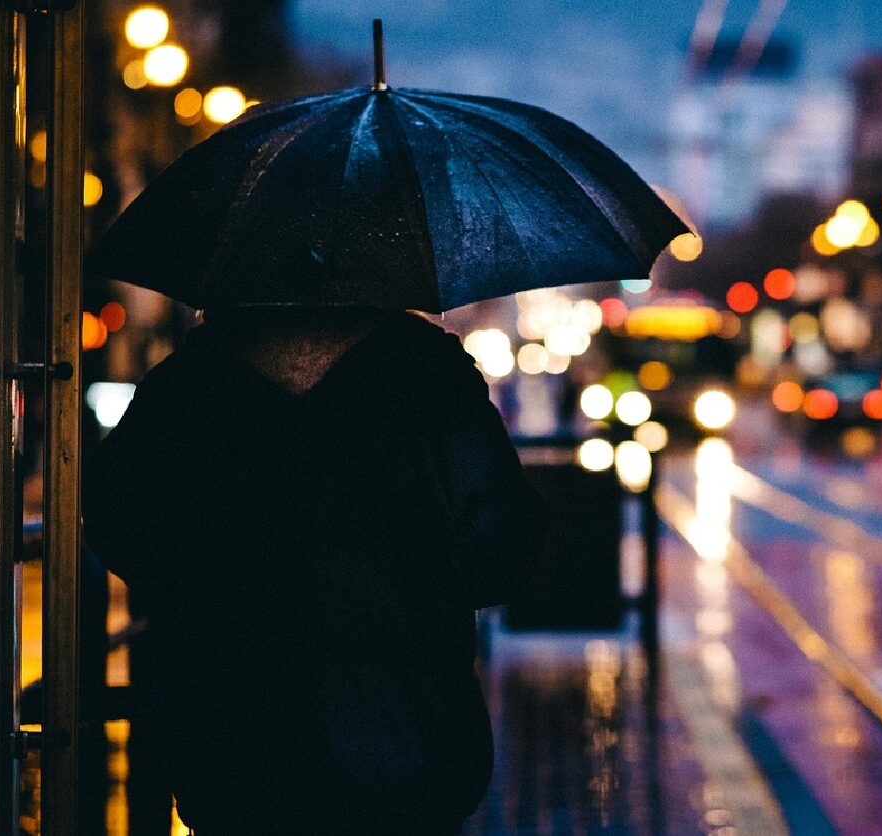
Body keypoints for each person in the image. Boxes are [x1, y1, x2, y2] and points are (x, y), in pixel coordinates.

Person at [83, 306, 549, 834]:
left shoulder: (196, 376)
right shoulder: (424, 368)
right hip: (405, 731)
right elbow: (506, 544)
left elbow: (117, 518)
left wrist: (207, 589)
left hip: (236, 740)